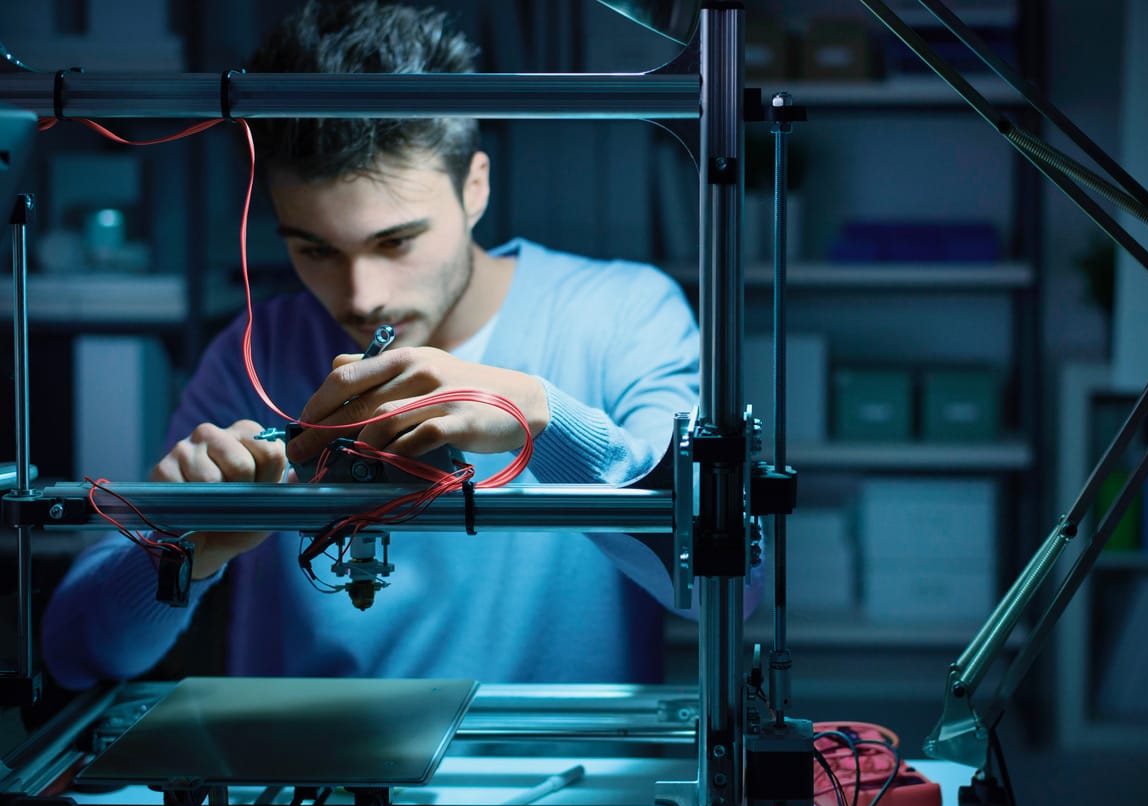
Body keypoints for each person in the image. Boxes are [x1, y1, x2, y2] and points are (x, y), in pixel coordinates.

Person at [41, 0, 731, 690]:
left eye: (395, 241)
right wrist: (183, 550)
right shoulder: (257, 351)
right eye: (315, 249)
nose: (362, 295)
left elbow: (728, 587)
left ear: (477, 186)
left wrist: (545, 418)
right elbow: (79, 656)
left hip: (555, 778)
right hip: (313, 785)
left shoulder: (621, 314)